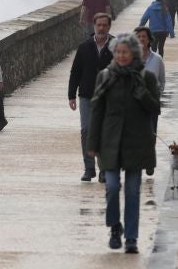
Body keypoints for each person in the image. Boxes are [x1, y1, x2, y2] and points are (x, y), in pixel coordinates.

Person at [88, 33, 160, 254]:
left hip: (136, 144)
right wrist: (92, 144)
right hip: (110, 144)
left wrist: (142, 94)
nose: (120, 56)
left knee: (132, 191)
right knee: (111, 188)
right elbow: (96, 110)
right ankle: (114, 226)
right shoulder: (105, 76)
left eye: (124, 52)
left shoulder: (145, 77)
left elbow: (155, 109)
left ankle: (131, 238)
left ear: (134, 54)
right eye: (117, 52)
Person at [68, 13, 114, 182]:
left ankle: (104, 169)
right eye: (98, 25)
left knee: (104, 132)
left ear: (109, 26)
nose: (101, 28)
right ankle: (89, 169)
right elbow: (76, 71)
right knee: (86, 130)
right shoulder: (84, 46)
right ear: (94, 26)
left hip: (108, 96)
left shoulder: (116, 46)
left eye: (104, 25)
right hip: (87, 95)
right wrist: (71, 95)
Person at [135, 27, 165, 134]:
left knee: (151, 135)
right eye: (138, 37)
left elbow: (162, 81)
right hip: (134, 106)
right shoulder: (128, 59)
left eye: (144, 36)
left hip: (152, 105)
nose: (141, 39)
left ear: (149, 39)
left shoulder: (157, 59)